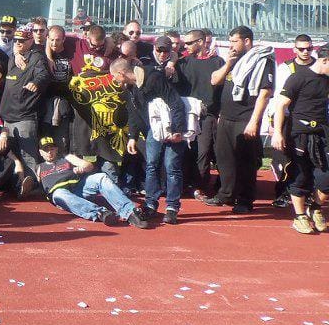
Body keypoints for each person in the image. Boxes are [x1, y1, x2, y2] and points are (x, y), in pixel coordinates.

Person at [110, 56, 187, 225]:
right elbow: (133, 113)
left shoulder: (154, 78)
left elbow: (175, 102)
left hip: (172, 126)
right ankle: (151, 204)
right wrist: (132, 137)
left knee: (171, 166)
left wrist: (178, 130)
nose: (114, 80)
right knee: (151, 165)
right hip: (153, 129)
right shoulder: (129, 88)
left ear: (121, 73)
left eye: (114, 76)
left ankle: (172, 208)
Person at [205, 26, 275, 213]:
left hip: (246, 118)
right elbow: (214, 80)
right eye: (230, 42)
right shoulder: (233, 60)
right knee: (224, 158)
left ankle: (245, 199)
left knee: (246, 161)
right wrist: (229, 63)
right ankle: (226, 194)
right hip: (226, 117)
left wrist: (254, 121)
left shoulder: (262, 60)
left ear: (247, 41)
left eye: (234, 41)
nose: (231, 45)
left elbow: (265, 94)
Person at [271, 44, 329, 234]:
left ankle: (315, 207)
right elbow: (280, 105)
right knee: (300, 175)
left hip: (323, 134)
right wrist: (277, 132)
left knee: (326, 177)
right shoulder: (298, 77)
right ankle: (300, 215)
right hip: (299, 134)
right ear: (325, 60)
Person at [36, 136, 148, 228]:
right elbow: (33, 184)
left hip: (78, 188)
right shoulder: (39, 167)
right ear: (41, 152)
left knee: (101, 177)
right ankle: (100, 213)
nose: (49, 152)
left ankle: (130, 212)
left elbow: (89, 165)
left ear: (56, 149)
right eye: (46, 150)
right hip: (61, 194)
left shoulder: (68, 158)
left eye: (52, 149)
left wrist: (83, 167)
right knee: (59, 194)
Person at [176, 29, 224, 202]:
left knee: (203, 152)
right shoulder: (182, 63)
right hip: (186, 113)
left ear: (201, 42)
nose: (186, 46)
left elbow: (223, 90)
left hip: (208, 114)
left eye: (189, 43)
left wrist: (220, 113)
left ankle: (199, 186)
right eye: (185, 43)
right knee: (184, 150)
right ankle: (182, 184)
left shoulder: (218, 62)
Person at [0, 29, 51, 176]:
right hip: (7, 117)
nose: (18, 43)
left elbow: (44, 74)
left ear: (30, 41)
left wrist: (36, 82)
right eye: (16, 40)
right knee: (9, 156)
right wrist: (16, 54)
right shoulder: (14, 56)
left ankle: (32, 184)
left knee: (28, 157)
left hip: (24, 117)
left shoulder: (36, 57)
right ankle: (15, 184)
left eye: (22, 41)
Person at [42, 25, 75, 153]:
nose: (54, 43)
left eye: (58, 40)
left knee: (63, 136)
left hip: (65, 99)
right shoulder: (42, 51)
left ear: (64, 39)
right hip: (47, 99)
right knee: (46, 134)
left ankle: (62, 159)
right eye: (52, 40)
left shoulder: (71, 50)